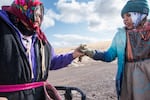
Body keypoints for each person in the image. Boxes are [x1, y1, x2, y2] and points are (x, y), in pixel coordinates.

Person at [0, 0, 84, 100]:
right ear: (22, 11)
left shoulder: (40, 39)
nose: (38, 19)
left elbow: (52, 62)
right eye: (35, 14)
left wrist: (74, 54)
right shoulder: (2, 30)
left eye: (40, 16)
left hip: (38, 95)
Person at [79, 0, 150, 100]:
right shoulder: (120, 35)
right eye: (123, 17)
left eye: (128, 15)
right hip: (127, 76)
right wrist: (92, 53)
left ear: (140, 14)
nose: (125, 20)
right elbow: (109, 55)